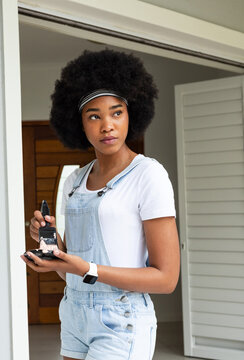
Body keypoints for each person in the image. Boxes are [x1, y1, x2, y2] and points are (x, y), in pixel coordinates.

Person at [20, 49, 180, 360]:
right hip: (74, 313)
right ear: (79, 123)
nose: (107, 125)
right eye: (94, 116)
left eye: (116, 112)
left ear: (131, 115)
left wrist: (87, 268)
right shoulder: (75, 181)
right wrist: (50, 244)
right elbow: (70, 273)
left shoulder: (148, 175)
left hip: (121, 321)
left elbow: (166, 278)